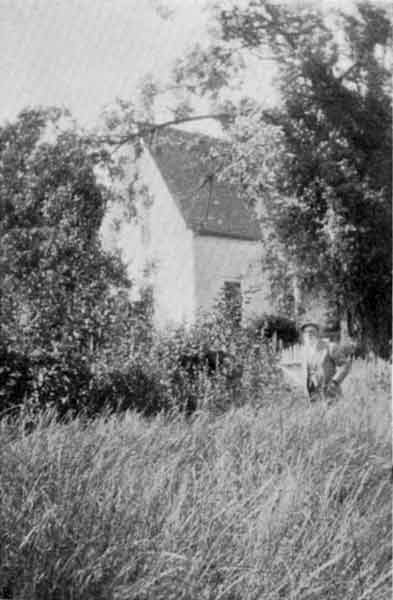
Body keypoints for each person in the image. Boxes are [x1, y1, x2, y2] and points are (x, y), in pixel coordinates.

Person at [300, 321, 352, 405]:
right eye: (305, 332)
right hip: (312, 396)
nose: (309, 334)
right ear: (303, 335)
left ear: (318, 333)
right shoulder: (304, 351)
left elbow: (345, 365)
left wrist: (335, 382)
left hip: (329, 393)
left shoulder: (330, 347)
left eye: (311, 331)